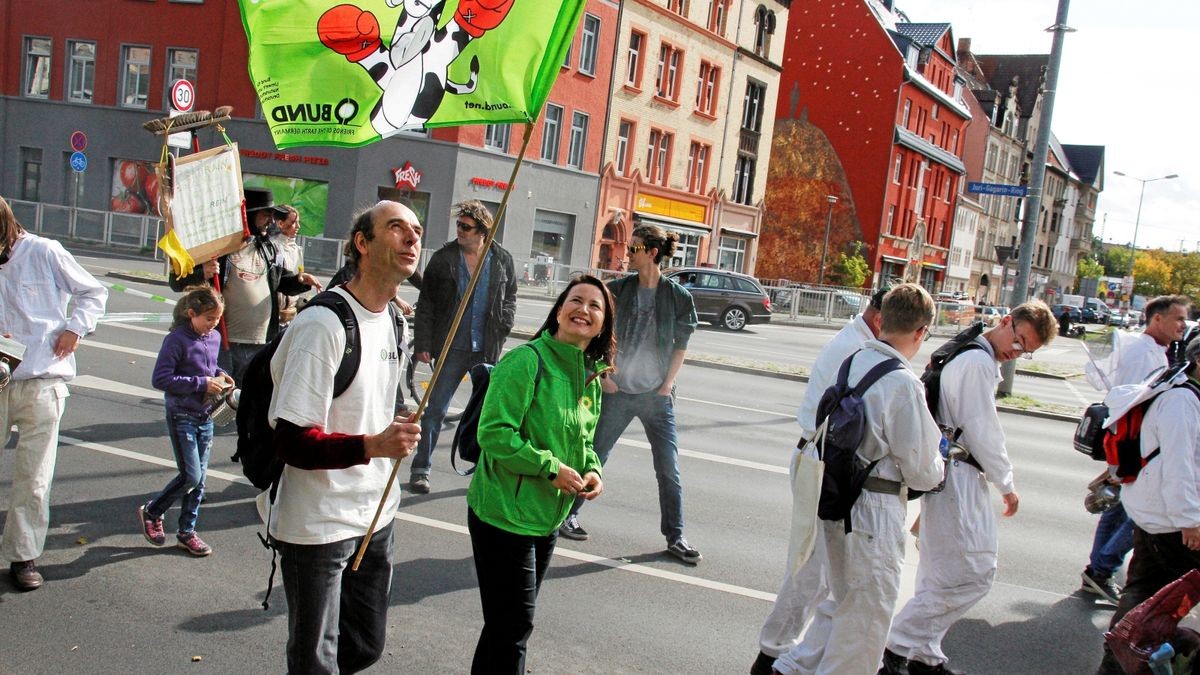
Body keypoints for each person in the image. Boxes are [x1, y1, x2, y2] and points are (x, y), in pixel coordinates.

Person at [262, 200, 423, 673]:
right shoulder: (323, 324)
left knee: (364, 645)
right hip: (319, 522)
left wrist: (398, 417)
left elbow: (369, 402)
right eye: (397, 228)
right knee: (315, 660)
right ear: (363, 242)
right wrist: (373, 445)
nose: (413, 238)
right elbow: (292, 441)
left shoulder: (395, 319)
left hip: (376, 513)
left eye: (416, 229)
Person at [771, 283, 945, 675]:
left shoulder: (854, 361)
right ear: (920, 332)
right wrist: (941, 464)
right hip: (874, 510)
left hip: (837, 499)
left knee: (841, 599)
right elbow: (921, 466)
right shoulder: (902, 382)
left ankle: (793, 667)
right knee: (866, 618)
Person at [882, 300, 1057, 675]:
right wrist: (1006, 483)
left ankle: (923, 656)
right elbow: (983, 431)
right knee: (976, 572)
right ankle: (898, 646)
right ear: (1008, 321)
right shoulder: (977, 361)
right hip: (958, 475)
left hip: (947, 470)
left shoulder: (973, 348)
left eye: (1027, 351)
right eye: (1020, 340)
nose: (1018, 351)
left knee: (940, 571)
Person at [467, 274, 613, 673]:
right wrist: (550, 468)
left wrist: (592, 470)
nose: (583, 309)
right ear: (559, 308)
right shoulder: (526, 360)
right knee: (514, 627)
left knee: (504, 625)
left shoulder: (589, 375)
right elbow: (494, 433)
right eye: (576, 300)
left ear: (603, 324)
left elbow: (583, 439)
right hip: (504, 514)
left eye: (594, 306)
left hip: (547, 516)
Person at [751, 286, 890, 675]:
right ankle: (772, 655)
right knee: (812, 571)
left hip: (822, 458)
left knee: (822, 573)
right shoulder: (856, 350)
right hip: (822, 462)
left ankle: (784, 654)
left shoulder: (860, 343)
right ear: (880, 318)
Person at [558, 224, 702, 565]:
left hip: (657, 396)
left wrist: (667, 385)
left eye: (634, 248)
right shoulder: (617, 290)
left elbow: (681, 345)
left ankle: (676, 536)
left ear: (652, 253)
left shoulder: (678, 297)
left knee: (669, 469)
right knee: (594, 455)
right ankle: (567, 516)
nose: (628, 253)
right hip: (618, 392)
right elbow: (595, 333)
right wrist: (604, 374)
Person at [0, 195, 108, 591]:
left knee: (34, 477)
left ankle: (23, 555)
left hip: (41, 380)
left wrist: (75, 328)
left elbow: (93, 292)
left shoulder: (44, 252)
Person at [1096, 338, 1200, 675]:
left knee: (1143, 593)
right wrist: (1190, 521)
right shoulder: (1182, 401)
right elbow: (1178, 465)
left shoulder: (1181, 391)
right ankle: (1137, 657)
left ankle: (1119, 662)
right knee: (1153, 596)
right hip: (1169, 520)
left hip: (1156, 516)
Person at [1080, 294, 1191, 603]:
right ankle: (1102, 569)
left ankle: (1098, 569)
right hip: (1138, 445)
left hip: (1133, 445)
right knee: (1140, 515)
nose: (1183, 324)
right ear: (1157, 319)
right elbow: (1134, 403)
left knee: (1120, 508)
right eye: (1179, 318)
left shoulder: (1152, 349)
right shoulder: (1145, 353)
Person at [410, 199, 517, 494]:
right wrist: (423, 344)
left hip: (485, 349)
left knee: (488, 415)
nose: (460, 231)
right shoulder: (444, 259)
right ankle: (421, 469)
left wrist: (504, 324)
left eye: (466, 227)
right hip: (450, 348)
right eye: (459, 225)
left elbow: (511, 297)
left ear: (483, 231)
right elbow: (427, 304)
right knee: (435, 411)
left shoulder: (501, 259)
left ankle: (484, 472)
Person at [169, 187, 322, 382]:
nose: (271, 221)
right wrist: (202, 273)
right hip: (221, 341)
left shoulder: (268, 248)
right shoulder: (218, 248)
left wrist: (299, 281)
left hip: (260, 342)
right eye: (265, 215)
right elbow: (176, 281)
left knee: (246, 401)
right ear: (248, 214)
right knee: (219, 400)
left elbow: (280, 282)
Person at [137, 285, 233, 557]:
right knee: (191, 475)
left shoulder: (212, 337)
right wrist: (201, 383)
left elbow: (210, 366)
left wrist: (221, 375)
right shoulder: (176, 339)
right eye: (208, 319)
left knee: (200, 481)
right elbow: (161, 379)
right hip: (182, 414)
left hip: (206, 414)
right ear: (191, 313)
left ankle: (187, 532)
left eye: (217, 320)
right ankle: (153, 511)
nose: (213, 325)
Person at [272, 205, 304, 328]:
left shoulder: (297, 250)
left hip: (291, 316)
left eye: (298, 222)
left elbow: (300, 277)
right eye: (294, 223)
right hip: (274, 314)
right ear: (280, 223)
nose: (298, 227)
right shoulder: (272, 246)